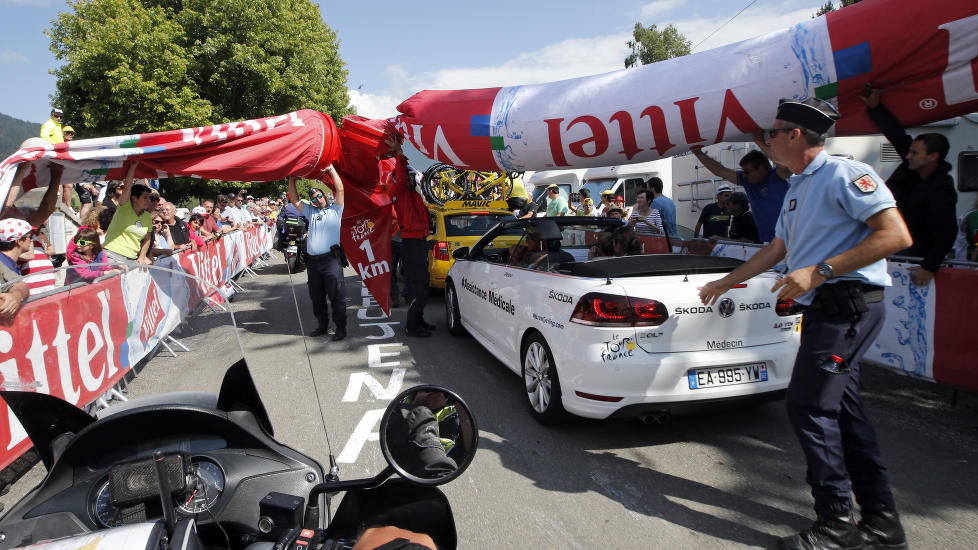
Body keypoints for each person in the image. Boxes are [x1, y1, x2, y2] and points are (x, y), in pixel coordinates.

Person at [698, 97, 912, 550]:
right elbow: (777, 250)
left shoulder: (842, 173)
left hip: (846, 304)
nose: (766, 141)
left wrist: (819, 271)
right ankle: (882, 522)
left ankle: (835, 524)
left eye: (771, 133)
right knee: (844, 413)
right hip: (827, 308)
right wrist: (726, 282)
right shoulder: (796, 186)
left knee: (809, 407)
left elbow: (895, 235)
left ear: (795, 134)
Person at [863, 85, 958, 286]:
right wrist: (876, 107)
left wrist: (929, 267)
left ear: (933, 157)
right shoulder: (911, 166)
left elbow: (947, 233)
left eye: (915, 153)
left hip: (915, 260)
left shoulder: (942, 190)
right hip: (887, 245)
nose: (908, 156)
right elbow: (897, 135)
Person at [288, 166, 347, 341]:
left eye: (320, 196)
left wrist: (331, 170)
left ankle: (341, 328)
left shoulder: (336, 209)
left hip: (331, 261)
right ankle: (322, 325)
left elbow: (340, 189)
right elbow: (295, 200)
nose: (318, 199)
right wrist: (291, 179)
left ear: (325, 196)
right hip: (313, 262)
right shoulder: (311, 211)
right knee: (316, 296)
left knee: (337, 296)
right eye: (314, 198)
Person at [386, 137, 435, 337]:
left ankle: (419, 320)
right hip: (411, 243)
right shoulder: (398, 191)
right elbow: (400, 170)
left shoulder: (415, 192)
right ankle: (412, 326)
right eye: (406, 176)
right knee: (420, 288)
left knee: (423, 286)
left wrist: (403, 155)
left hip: (420, 241)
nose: (411, 178)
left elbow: (409, 169)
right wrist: (397, 154)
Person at [692, 143, 790, 243]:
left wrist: (758, 138)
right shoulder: (747, 181)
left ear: (761, 169)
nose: (744, 175)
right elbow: (720, 171)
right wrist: (698, 153)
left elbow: (784, 161)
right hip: (769, 244)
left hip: (790, 241)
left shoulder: (781, 175)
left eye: (747, 171)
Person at [102, 162, 154, 265]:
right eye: (145, 197)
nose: (149, 200)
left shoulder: (147, 217)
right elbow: (127, 187)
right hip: (112, 256)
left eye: (149, 197)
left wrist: (142, 257)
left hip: (131, 259)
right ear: (134, 198)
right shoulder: (124, 207)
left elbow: (147, 240)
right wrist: (133, 166)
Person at [0, 218, 33, 320]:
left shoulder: (9, 262)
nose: (32, 240)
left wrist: (17, 296)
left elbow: (19, 285)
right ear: (19, 241)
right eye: (30, 237)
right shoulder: (2, 263)